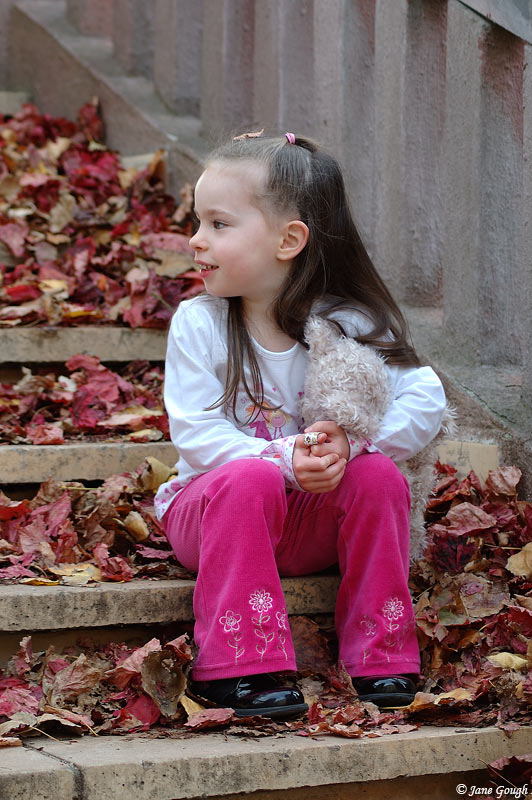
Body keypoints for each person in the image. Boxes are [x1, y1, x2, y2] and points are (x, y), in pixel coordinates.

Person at [154, 132, 446, 719]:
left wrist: (351, 446)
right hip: (212, 513)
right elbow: (197, 434)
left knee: (379, 476)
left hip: (309, 518)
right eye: (197, 222)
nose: (196, 239)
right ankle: (241, 663)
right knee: (251, 478)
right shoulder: (199, 323)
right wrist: (286, 458)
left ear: (288, 240)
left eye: (218, 224)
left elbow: (426, 396)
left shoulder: (347, 321)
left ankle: (381, 653)